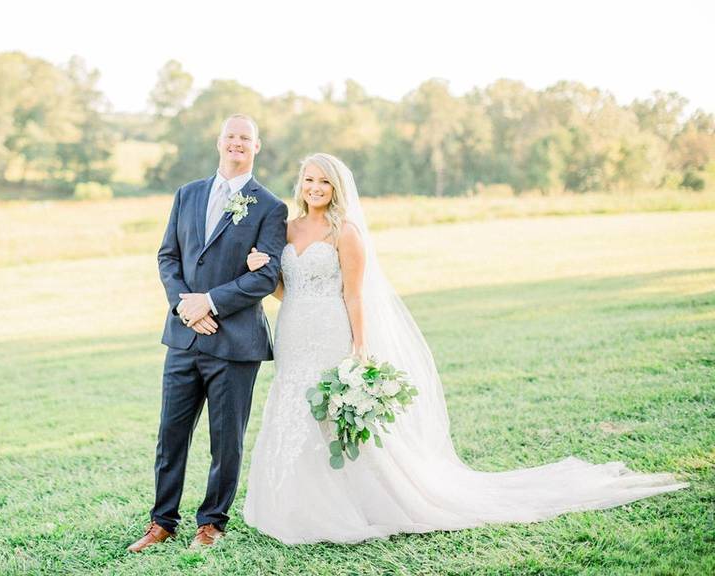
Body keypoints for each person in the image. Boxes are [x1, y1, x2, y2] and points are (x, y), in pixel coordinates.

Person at [241, 152, 689, 544]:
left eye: (324, 181)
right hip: (294, 333)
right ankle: (294, 505)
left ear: (336, 189)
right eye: (309, 179)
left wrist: (360, 347)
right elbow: (288, 289)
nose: (315, 187)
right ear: (300, 183)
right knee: (292, 410)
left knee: (330, 420)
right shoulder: (287, 227)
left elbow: (354, 294)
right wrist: (262, 267)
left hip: (332, 333)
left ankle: (356, 503)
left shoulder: (346, 232)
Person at [128, 114, 288, 552]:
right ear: (219, 142)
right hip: (184, 337)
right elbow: (168, 258)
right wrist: (186, 306)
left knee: (226, 441)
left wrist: (210, 302)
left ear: (257, 147)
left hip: (235, 343)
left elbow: (265, 276)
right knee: (171, 434)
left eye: (246, 138)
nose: (237, 143)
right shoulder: (188, 194)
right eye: (230, 136)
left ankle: (212, 523)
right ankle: (162, 521)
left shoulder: (271, 207)